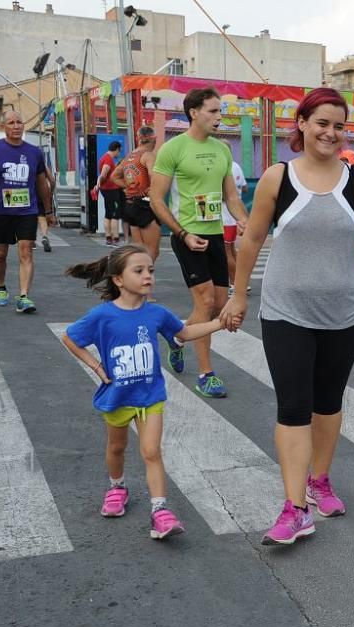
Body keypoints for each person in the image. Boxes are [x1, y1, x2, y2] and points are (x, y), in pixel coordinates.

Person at [219, 87, 354, 545]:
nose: (330, 132)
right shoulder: (277, 177)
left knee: (328, 404)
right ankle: (295, 507)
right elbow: (250, 239)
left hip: (345, 313)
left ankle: (320, 480)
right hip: (286, 311)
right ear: (302, 124)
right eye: (322, 123)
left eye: (339, 125)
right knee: (293, 406)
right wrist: (238, 294)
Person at [62, 245, 224, 540]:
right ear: (118, 280)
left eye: (150, 270)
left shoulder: (157, 313)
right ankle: (117, 487)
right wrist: (97, 368)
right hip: (118, 397)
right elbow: (70, 338)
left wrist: (220, 323)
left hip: (150, 397)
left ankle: (160, 512)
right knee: (116, 448)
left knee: (151, 452)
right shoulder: (102, 316)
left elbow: (184, 334)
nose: (148, 276)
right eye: (139, 271)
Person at [149, 87, 248, 398]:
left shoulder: (222, 150)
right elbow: (155, 198)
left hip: (215, 234)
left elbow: (231, 196)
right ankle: (207, 374)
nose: (219, 117)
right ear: (194, 113)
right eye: (213, 111)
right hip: (188, 235)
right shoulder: (173, 149)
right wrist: (181, 234)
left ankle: (177, 338)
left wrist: (244, 219)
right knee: (204, 304)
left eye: (221, 111)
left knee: (220, 307)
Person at [0, 110, 56, 313]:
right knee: (0, 253)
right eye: (11, 123)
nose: (16, 126)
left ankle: (24, 296)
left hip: (27, 210)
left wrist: (49, 210)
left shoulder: (34, 152)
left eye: (19, 122)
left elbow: (42, 183)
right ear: (4, 127)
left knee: (26, 251)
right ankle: (1, 287)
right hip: (0, 210)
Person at [111, 126, 161, 263]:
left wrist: (129, 186)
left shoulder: (129, 157)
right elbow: (153, 176)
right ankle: (141, 278)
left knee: (140, 251)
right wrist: (151, 189)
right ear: (153, 139)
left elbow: (114, 176)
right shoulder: (148, 155)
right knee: (152, 251)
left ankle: (135, 279)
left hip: (131, 205)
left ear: (138, 139)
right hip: (145, 204)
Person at [223, 159, 250, 296]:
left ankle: (234, 284)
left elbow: (224, 196)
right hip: (234, 217)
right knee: (232, 250)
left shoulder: (224, 168)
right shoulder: (236, 166)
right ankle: (243, 282)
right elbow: (245, 188)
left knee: (226, 251)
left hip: (226, 216)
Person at [93, 141, 125, 246]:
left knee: (108, 213)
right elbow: (104, 173)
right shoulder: (108, 159)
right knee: (115, 214)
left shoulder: (104, 157)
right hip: (111, 190)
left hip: (106, 190)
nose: (119, 154)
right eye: (119, 151)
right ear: (116, 149)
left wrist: (99, 185)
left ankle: (108, 237)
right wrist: (99, 183)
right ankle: (115, 238)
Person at [36, 164, 57, 253]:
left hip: (27, 191)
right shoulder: (41, 163)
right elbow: (52, 180)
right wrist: (51, 192)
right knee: (42, 216)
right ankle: (45, 236)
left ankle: (30, 239)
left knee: (29, 215)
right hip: (42, 191)